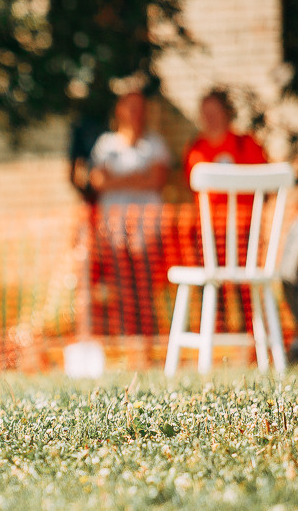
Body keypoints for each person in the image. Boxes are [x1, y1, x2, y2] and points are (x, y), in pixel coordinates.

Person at [183, 88, 270, 335]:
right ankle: (217, 336)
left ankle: (252, 336)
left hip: (244, 232)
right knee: (213, 290)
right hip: (208, 233)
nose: (209, 117)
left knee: (246, 288)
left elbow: (266, 187)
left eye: (214, 111)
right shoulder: (195, 148)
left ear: (226, 113)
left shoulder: (246, 144)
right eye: (205, 112)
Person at [87, 90, 172, 336]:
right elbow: (97, 181)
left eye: (140, 107)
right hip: (114, 225)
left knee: (144, 283)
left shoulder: (155, 143)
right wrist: (137, 177)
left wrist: (116, 179)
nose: (135, 113)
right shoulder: (106, 144)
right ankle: (125, 334)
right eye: (130, 106)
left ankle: (148, 335)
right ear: (119, 110)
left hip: (147, 225)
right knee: (120, 283)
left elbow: (156, 179)